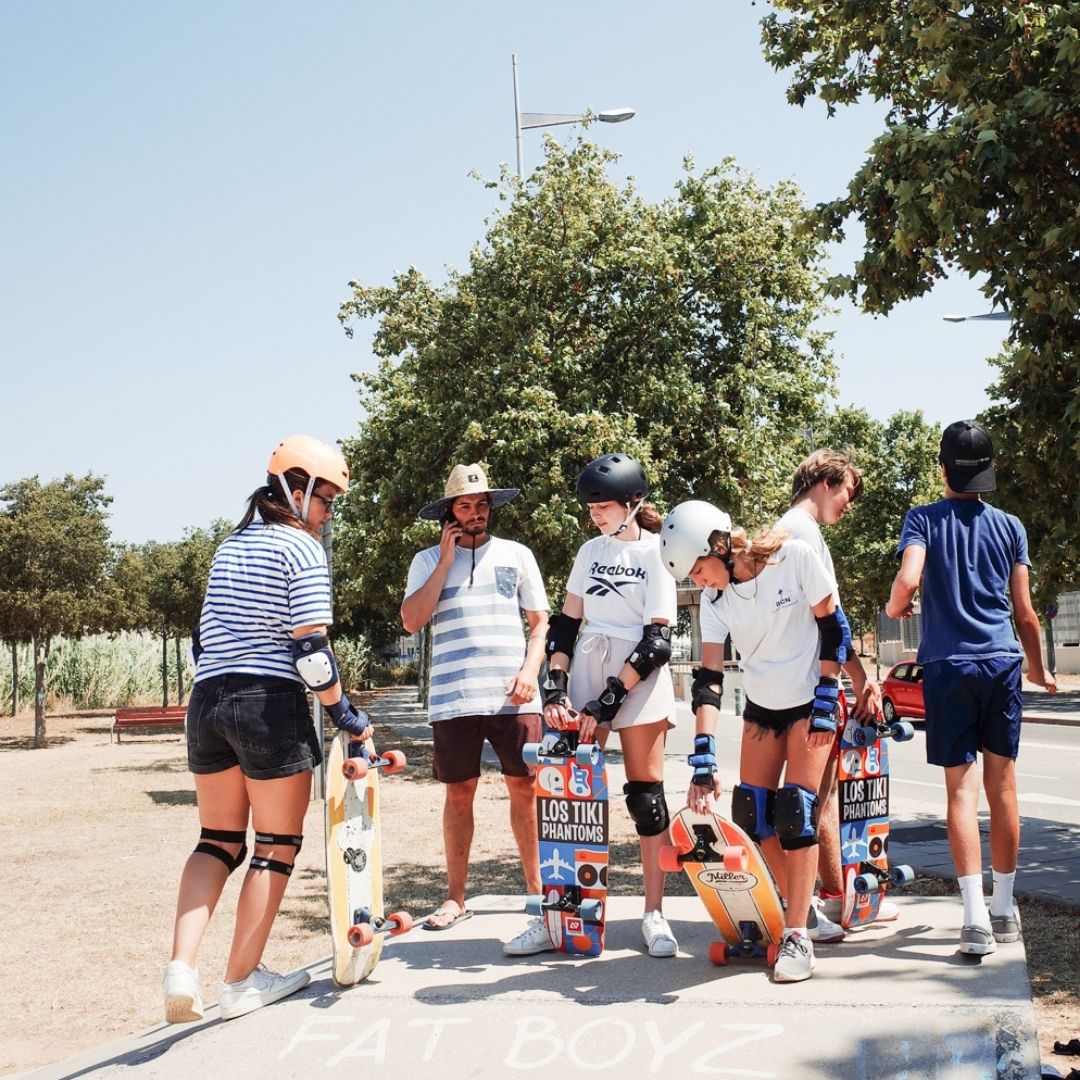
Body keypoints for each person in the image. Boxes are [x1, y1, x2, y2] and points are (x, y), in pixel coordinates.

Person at [164, 435, 372, 1022]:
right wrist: (347, 717)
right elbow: (310, 652)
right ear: (296, 488)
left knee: (217, 841)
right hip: (267, 702)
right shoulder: (302, 551)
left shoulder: (229, 547)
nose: (330, 513)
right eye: (328, 500)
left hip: (206, 701)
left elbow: (203, 642)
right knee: (276, 846)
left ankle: (180, 966)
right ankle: (240, 980)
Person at [886, 419, 1056, 955]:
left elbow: (908, 580)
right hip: (1002, 660)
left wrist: (896, 607)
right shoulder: (1011, 527)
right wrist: (1038, 668)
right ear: (990, 471)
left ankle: (975, 918)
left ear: (943, 469)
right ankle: (1006, 909)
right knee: (1002, 787)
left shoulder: (922, 520)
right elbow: (1026, 614)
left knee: (960, 789)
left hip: (947, 666)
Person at [660, 499, 846, 982]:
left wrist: (828, 690)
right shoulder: (716, 602)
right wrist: (703, 758)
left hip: (811, 699)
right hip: (763, 708)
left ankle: (798, 937)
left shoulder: (795, 557)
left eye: (700, 570)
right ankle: (798, 913)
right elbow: (709, 679)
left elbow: (834, 627)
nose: (698, 582)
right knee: (752, 812)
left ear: (721, 545)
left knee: (797, 812)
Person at [523, 454, 681, 958]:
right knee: (564, 793)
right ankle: (558, 912)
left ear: (634, 503)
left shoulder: (660, 554)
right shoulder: (589, 550)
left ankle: (654, 914)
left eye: (603, 506)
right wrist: (555, 686)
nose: (594, 514)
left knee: (645, 796)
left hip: (638, 672)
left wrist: (609, 699)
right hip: (589, 661)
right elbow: (566, 625)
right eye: (589, 506)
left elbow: (658, 641)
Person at [401, 464, 549, 934]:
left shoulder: (517, 554)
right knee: (459, 794)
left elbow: (540, 622)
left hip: (514, 695)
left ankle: (537, 892)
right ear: (449, 513)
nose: (475, 513)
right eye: (465, 506)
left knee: (526, 790)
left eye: (481, 504)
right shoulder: (426, 561)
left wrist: (530, 670)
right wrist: (444, 563)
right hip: (454, 695)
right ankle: (455, 898)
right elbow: (411, 621)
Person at [777, 449, 890, 930]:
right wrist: (862, 682)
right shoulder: (806, 535)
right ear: (826, 481)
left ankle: (830, 895)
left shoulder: (782, 530)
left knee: (806, 801)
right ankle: (822, 903)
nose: (848, 504)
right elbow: (833, 623)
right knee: (812, 800)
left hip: (787, 684)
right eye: (847, 492)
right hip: (813, 687)